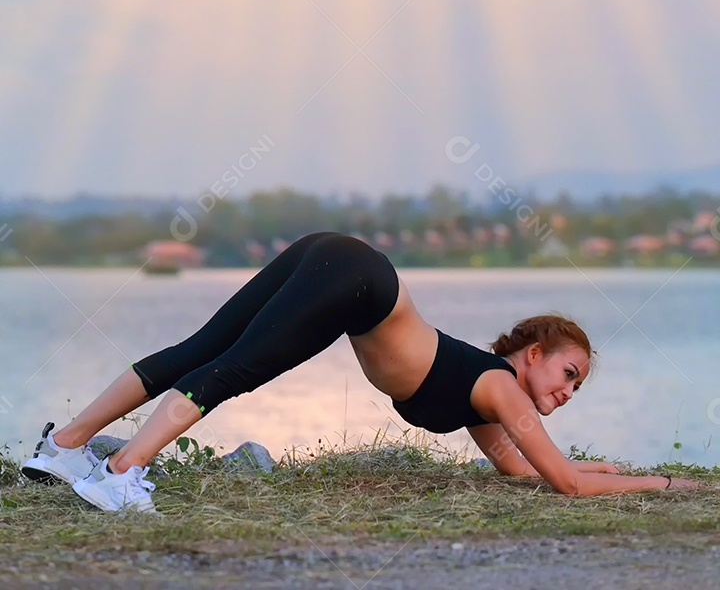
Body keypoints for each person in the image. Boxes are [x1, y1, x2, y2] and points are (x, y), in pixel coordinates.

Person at [21, 231, 699, 512]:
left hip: (342, 264)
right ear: (531, 355)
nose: (568, 391)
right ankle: (116, 476)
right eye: (568, 372)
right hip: (357, 280)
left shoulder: (489, 402)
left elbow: (526, 471)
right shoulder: (498, 386)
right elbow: (563, 485)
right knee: (230, 368)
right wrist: (663, 480)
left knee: (205, 352)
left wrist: (601, 469)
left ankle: (67, 446)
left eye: (577, 388)